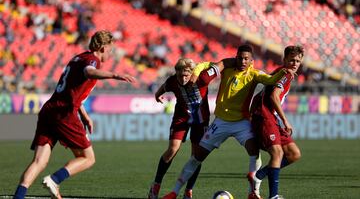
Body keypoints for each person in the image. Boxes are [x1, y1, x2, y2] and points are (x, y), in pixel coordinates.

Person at [13, 30, 136, 199]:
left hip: (49, 110)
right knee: (88, 158)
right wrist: (115, 75)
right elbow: (89, 72)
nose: (111, 53)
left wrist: (84, 115)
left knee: (39, 161)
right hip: (63, 114)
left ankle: (18, 196)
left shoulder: (78, 57)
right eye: (110, 49)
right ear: (102, 47)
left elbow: (72, 92)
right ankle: (54, 179)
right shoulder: (91, 60)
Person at [162, 44, 289, 199]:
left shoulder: (255, 75)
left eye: (246, 59)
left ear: (251, 61)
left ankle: (253, 192)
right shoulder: (226, 68)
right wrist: (196, 71)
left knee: (253, 151)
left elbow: (270, 80)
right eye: (240, 58)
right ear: (236, 57)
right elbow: (206, 64)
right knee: (197, 156)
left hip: (242, 122)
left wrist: (284, 71)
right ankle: (174, 191)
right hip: (220, 122)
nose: (243, 61)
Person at [148, 58, 219, 199]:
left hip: (201, 121)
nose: (183, 78)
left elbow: (218, 65)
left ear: (192, 73)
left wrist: (204, 65)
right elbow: (164, 87)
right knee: (173, 149)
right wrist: (157, 95)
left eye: (186, 75)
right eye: (180, 75)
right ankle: (156, 185)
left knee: (196, 156)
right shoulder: (173, 81)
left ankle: (188, 190)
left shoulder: (203, 78)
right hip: (182, 118)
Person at [250, 46, 304, 199]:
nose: (294, 63)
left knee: (294, 154)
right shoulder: (285, 74)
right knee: (277, 153)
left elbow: (260, 95)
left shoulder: (282, 72)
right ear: (285, 60)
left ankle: (259, 174)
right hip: (265, 116)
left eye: (298, 61)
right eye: (291, 60)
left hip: (270, 117)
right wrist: (285, 120)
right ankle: (273, 196)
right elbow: (274, 96)